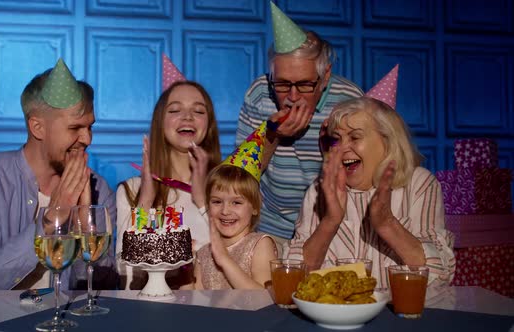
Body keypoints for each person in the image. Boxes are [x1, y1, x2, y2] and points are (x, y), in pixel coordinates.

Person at [0, 59, 117, 296]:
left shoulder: (98, 189)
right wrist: (50, 220)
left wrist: (85, 226)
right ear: (37, 128)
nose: (87, 139)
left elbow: (101, 291)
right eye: (75, 128)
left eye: (90, 127)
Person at [284, 96, 456, 288]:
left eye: (355, 137)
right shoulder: (319, 191)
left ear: (388, 141)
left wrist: (387, 224)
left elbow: (439, 276)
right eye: (336, 139)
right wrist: (330, 221)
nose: (342, 148)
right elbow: (293, 278)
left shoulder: (419, 184)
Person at [236, 3, 363, 245]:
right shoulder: (260, 93)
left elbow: (362, 175)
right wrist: (272, 135)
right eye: (282, 84)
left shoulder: (349, 99)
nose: (293, 96)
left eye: (305, 84)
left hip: (332, 228)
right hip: (271, 228)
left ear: (325, 77)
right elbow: (241, 176)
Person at [116, 80, 222, 289]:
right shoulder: (132, 190)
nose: (187, 117)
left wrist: (202, 199)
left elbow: (235, 254)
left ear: (208, 125)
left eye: (198, 111)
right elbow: (124, 269)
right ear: (160, 122)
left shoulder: (225, 187)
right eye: (175, 110)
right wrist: (146, 199)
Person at [187, 122, 277, 289]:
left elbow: (265, 299)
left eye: (236, 202)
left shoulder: (260, 245)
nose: (225, 211)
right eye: (217, 202)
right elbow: (195, 302)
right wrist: (184, 269)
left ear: (255, 206)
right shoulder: (204, 253)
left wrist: (224, 259)